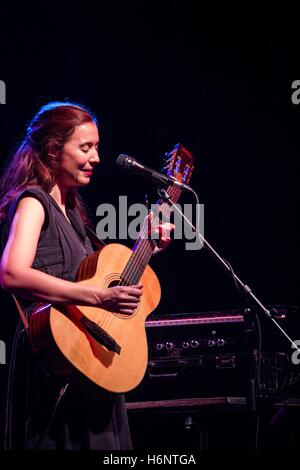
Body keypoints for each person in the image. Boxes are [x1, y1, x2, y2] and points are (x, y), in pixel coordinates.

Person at [0, 101, 172, 450]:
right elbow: (12, 274)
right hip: (54, 360)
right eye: (85, 147)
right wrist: (99, 297)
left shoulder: (74, 212)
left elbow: (99, 283)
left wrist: (148, 248)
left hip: (87, 359)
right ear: (52, 149)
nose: (96, 157)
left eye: (97, 147)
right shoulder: (33, 202)